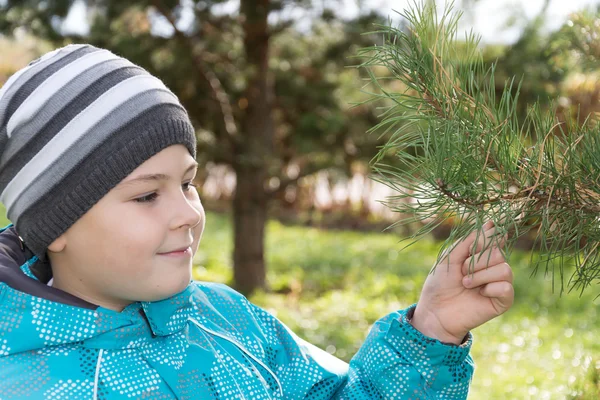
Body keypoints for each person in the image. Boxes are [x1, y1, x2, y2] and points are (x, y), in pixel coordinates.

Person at [0, 44, 514, 399]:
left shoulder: (226, 320)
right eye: (146, 196)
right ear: (57, 225)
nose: (186, 213)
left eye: (186, 183)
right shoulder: (23, 382)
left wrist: (431, 331)